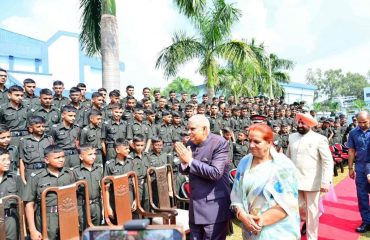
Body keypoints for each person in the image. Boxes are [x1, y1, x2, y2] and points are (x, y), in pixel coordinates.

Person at [230, 124, 300, 239]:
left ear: (269, 143)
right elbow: (236, 195)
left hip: (277, 231)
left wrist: (260, 221)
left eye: (257, 142)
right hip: (249, 230)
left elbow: (288, 203)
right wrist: (242, 215)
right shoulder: (244, 162)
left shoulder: (283, 166)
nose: (251, 145)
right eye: (250, 140)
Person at [175, 114, 231, 240]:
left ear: (205, 129)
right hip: (195, 207)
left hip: (213, 209)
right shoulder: (191, 142)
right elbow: (187, 169)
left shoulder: (219, 143)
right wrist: (184, 163)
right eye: (188, 129)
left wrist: (189, 161)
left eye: (193, 129)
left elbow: (215, 173)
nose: (189, 133)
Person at [286, 112, 333, 239]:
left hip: (313, 182)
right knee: (298, 209)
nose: (300, 125)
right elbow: (287, 158)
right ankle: (304, 223)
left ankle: (312, 237)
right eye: (299, 122)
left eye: (303, 123)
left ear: (310, 124)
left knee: (312, 212)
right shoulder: (292, 137)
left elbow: (327, 161)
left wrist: (326, 181)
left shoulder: (320, 139)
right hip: (294, 181)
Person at [23, 145, 75, 240]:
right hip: (46, 218)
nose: (61, 160)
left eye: (63, 157)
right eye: (57, 158)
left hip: (67, 216)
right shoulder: (36, 177)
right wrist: (32, 229)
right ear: (46, 160)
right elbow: (29, 203)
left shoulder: (70, 174)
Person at [348, 111, 370, 232]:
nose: (361, 125)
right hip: (360, 168)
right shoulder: (353, 132)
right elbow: (351, 150)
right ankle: (366, 221)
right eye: (359, 122)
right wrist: (350, 168)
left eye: (364, 122)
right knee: (362, 196)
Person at [72, 143, 103, 230]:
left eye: (94, 154)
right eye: (90, 154)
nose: (93, 157)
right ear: (81, 157)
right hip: (82, 207)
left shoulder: (99, 169)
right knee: (84, 230)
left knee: (97, 230)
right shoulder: (75, 172)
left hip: (97, 205)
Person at [0, 148, 24, 240]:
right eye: (3, 160)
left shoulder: (15, 178)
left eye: (8, 159)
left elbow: (21, 201)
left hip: (10, 219)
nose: (8, 162)